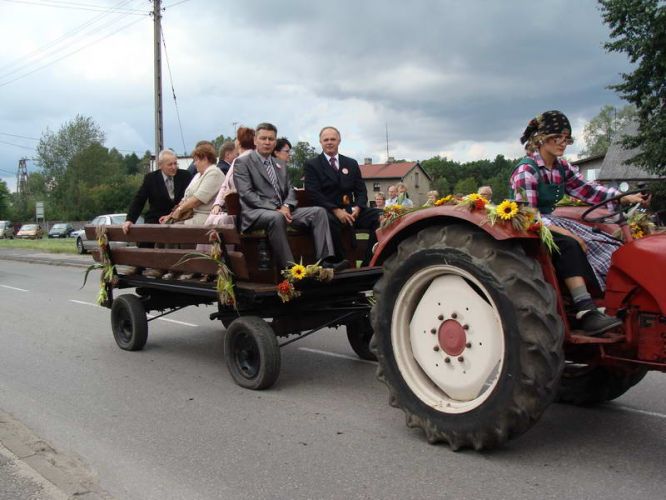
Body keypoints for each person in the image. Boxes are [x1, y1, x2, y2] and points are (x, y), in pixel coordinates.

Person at [511, 110, 647, 336]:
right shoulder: (526, 170)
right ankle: (585, 310)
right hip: (530, 223)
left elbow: (589, 190)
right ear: (541, 139)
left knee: (605, 241)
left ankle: (612, 301)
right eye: (558, 138)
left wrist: (623, 197)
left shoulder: (561, 167)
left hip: (549, 219)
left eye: (567, 139)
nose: (563, 144)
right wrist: (569, 233)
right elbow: (528, 215)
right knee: (570, 244)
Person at [233, 122, 340, 270]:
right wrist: (276, 209)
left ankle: (324, 262)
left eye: (271, 139)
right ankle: (291, 270)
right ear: (255, 141)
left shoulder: (280, 164)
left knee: (319, 212)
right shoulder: (243, 162)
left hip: (284, 211)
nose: (267, 142)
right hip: (255, 213)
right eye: (263, 138)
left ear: (275, 142)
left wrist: (286, 205)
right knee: (276, 217)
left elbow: (290, 190)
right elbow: (247, 194)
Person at [304, 126, 382, 266]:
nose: (329, 142)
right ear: (320, 142)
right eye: (326, 139)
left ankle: (370, 262)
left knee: (382, 216)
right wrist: (336, 210)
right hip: (328, 210)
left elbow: (361, 191)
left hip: (352, 210)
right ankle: (341, 263)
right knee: (328, 221)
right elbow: (314, 193)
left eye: (333, 139)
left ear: (339, 141)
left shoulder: (350, 163)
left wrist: (358, 207)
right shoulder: (312, 165)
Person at [122, 149, 191, 276]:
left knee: (174, 230)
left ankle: (163, 267)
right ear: (160, 165)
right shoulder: (151, 179)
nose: (174, 167)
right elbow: (139, 200)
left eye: (176, 163)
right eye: (170, 164)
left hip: (178, 217)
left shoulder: (185, 176)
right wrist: (130, 220)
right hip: (156, 217)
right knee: (149, 230)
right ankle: (139, 265)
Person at [165, 142, 225, 280]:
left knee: (175, 229)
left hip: (207, 215)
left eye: (196, 160)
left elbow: (198, 199)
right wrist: (171, 214)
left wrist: (179, 210)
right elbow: (187, 197)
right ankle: (168, 266)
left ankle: (184, 268)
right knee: (165, 227)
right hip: (195, 214)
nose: (195, 163)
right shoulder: (200, 175)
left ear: (205, 159)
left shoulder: (214, 173)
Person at [209, 126, 255, 220]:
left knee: (215, 220)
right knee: (213, 218)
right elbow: (225, 185)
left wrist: (219, 203)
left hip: (244, 210)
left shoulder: (250, 159)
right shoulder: (237, 160)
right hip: (232, 208)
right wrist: (217, 204)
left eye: (236, 138)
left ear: (239, 142)